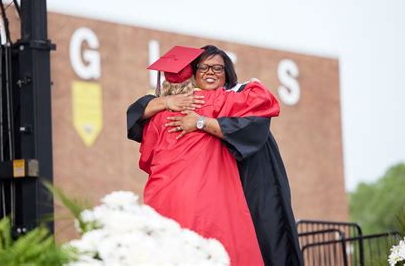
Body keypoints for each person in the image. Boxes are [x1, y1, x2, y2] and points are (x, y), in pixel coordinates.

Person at [127, 45, 304, 266]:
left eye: (217, 68)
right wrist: (167, 102)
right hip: (211, 200)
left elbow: (146, 158)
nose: (211, 72)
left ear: (227, 73)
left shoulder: (156, 117)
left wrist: (193, 119)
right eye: (204, 68)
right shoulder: (220, 101)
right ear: (193, 72)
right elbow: (264, 100)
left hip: (163, 198)